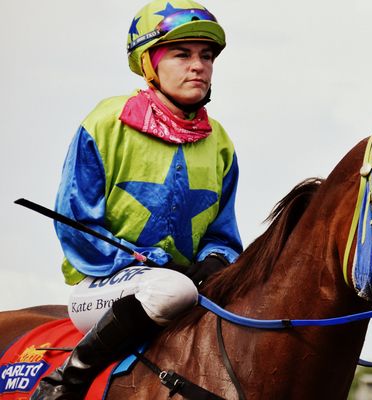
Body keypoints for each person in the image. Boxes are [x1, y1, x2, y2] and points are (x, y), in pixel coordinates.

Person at [32, 1, 242, 398]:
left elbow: (222, 231)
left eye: (206, 56)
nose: (198, 66)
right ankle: (66, 380)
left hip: (188, 284)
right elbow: (76, 226)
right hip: (101, 283)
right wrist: (152, 262)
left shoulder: (220, 142)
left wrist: (215, 260)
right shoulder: (105, 123)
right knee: (171, 290)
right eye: (182, 54)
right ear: (149, 63)